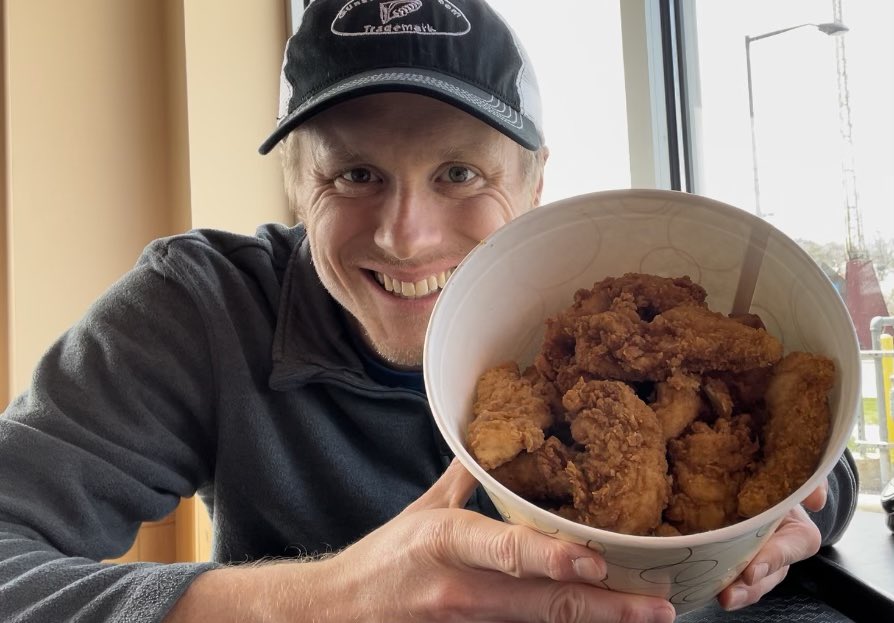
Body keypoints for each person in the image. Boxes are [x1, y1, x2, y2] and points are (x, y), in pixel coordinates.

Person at [0, 1, 857, 622]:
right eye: (354, 174)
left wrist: (799, 512)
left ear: (534, 183)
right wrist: (321, 602)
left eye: (460, 174)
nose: (406, 238)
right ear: (299, 184)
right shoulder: (202, 307)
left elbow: (813, 441)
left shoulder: (600, 288)